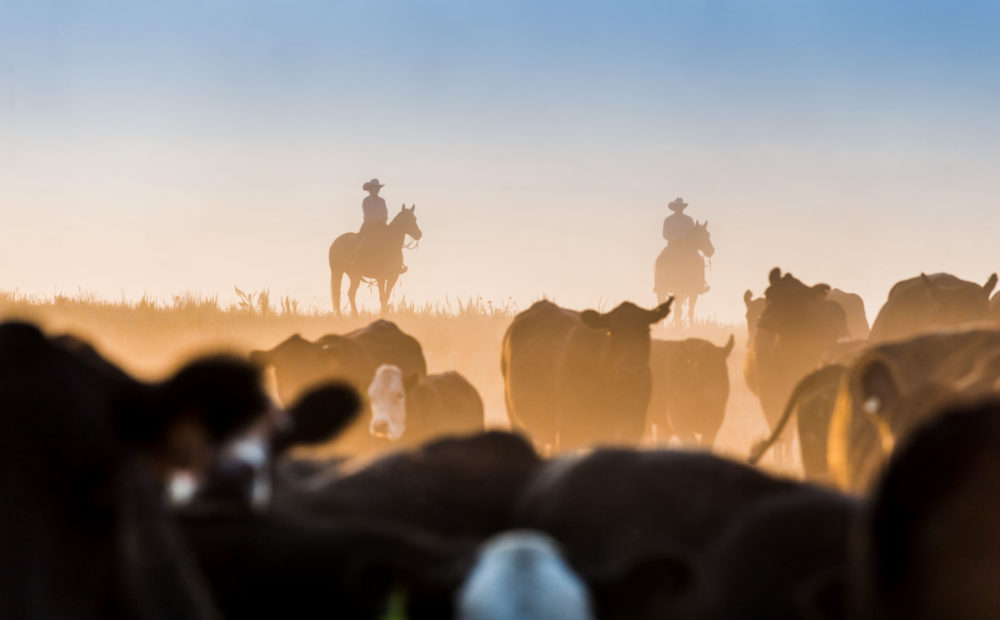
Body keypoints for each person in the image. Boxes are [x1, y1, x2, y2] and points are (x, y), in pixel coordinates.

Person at [357, 178, 407, 274]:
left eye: (378, 188)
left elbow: (385, 212)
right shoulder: (366, 201)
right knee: (362, 241)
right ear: (371, 189)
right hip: (369, 226)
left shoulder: (382, 201)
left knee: (393, 242)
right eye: (375, 188)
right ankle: (358, 260)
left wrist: (383, 218)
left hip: (381, 225)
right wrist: (378, 218)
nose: (377, 190)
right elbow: (367, 214)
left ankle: (397, 264)